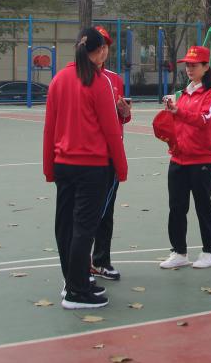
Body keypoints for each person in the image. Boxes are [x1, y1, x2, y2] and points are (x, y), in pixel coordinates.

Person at [42, 27, 128, 310]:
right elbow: (111, 129)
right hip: (92, 166)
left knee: (66, 227)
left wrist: (49, 166)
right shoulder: (98, 81)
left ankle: (73, 281)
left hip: (64, 164)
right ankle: (76, 291)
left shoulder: (59, 79)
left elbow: (50, 128)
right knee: (83, 229)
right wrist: (121, 166)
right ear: (100, 50)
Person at [159, 44, 211, 270]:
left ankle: (209, 252)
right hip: (178, 160)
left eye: (194, 65)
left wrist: (180, 112)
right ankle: (179, 252)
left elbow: (205, 119)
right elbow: (180, 124)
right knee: (176, 208)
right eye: (187, 65)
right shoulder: (183, 94)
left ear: (206, 67)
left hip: (202, 161)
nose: (189, 69)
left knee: (203, 207)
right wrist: (171, 116)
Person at [90, 25, 131, 282]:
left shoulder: (114, 79)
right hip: (86, 157)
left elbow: (122, 118)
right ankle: (78, 266)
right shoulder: (76, 77)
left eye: (105, 46)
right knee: (85, 213)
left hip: (109, 156)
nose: (102, 51)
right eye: (98, 46)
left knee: (106, 211)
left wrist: (124, 112)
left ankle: (101, 261)